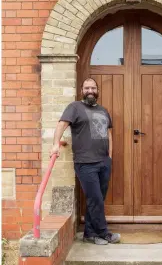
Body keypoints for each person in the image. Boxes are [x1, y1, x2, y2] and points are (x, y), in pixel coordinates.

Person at [50, 77, 120, 245]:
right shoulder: (74, 107)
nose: (90, 91)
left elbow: (108, 133)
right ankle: (104, 233)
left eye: (93, 88)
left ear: (97, 91)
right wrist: (55, 144)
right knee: (95, 198)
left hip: (104, 162)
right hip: (85, 162)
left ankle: (89, 234)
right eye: (87, 88)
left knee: (97, 199)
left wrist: (109, 156)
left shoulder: (103, 111)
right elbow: (61, 124)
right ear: (82, 90)